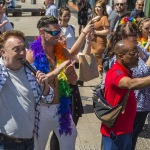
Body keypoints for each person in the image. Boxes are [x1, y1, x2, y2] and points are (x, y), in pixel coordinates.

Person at [26, 15, 98, 150]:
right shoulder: (31, 55)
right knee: (37, 146)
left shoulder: (63, 52)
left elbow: (73, 81)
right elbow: (31, 84)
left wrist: (71, 74)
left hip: (62, 108)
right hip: (41, 110)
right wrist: (57, 70)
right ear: (42, 32)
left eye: (59, 31)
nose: (58, 35)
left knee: (70, 140)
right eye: (54, 32)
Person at [0, 30, 55, 150]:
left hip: (29, 141)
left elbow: (48, 98)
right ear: (3, 52)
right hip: (4, 142)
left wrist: (44, 86)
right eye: (16, 49)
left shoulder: (31, 71)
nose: (22, 53)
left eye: (23, 48)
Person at [105, 17, 150, 150]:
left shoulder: (136, 53)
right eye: (130, 35)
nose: (135, 36)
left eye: (135, 33)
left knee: (131, 141)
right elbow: (132, 81)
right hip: (121, 121)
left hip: (136, 113)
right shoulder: (117, 64)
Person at [91, 0, 109, 75]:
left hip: (100, 44)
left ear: (103, 9)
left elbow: (107, 31)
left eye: (99, 7)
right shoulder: (95, 17)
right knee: (93, 61)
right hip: (93, 43)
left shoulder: (104, 18)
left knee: (99, 63)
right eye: (96, 6)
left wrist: (95, 32)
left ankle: (103, 81)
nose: (97, 8)